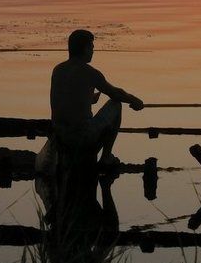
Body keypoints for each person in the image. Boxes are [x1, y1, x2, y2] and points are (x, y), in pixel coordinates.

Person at [46, 29, 144, 170]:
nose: (93, 51)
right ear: (85, 49)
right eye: (91, 47)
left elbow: (68, 98)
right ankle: (106, 157)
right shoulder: (91, 73)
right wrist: (135, 100)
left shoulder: (58, 70)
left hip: (59, 136)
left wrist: (89, 99)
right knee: (115, 105)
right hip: (81, 137)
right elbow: (116, 94)